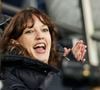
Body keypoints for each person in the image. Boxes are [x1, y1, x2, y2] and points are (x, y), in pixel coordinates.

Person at [0, 7, 87, 90]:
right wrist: (65, 70)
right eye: (29, 31)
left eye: (44, 30)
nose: (40, 36)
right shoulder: (8, 76)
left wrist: (74, 69)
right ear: (14, 42)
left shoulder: (59, 64)